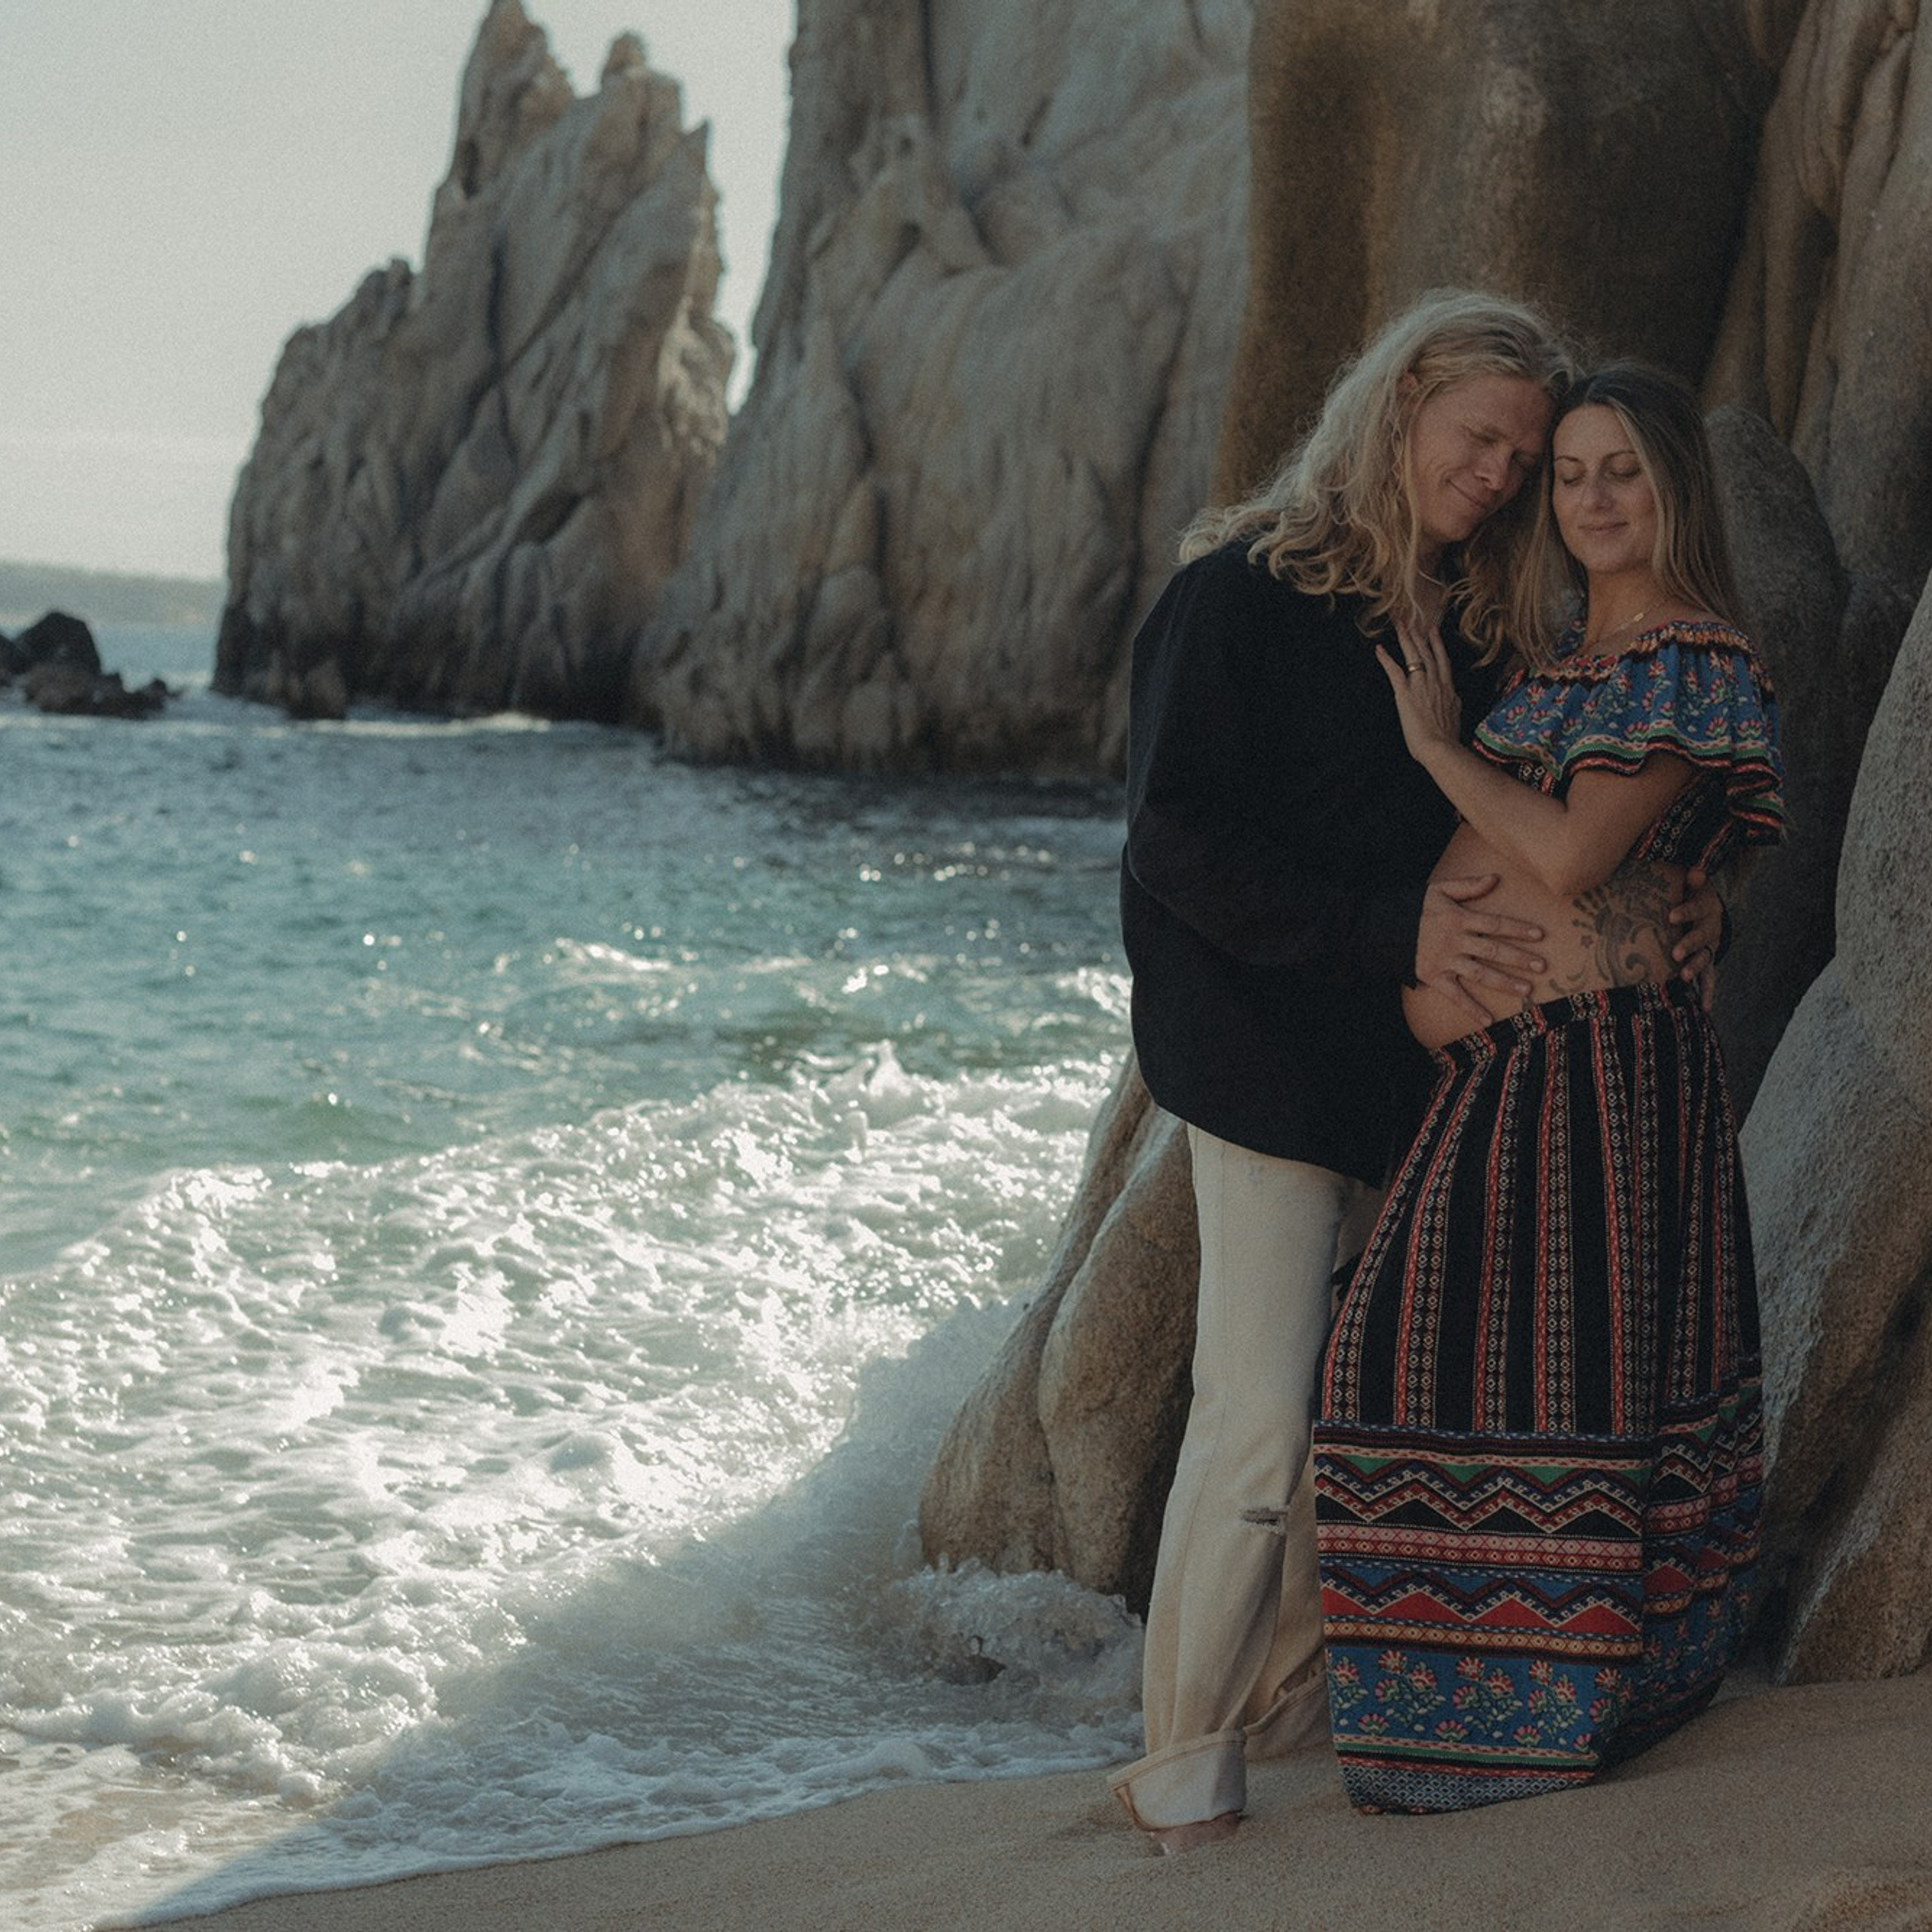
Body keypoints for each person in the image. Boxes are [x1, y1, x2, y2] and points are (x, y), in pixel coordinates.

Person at [1109, 295, 1726, 1852]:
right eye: (1480, 439)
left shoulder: (1476, 625)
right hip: (1260, 1060)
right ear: (1395, 413)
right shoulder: (1233, 597)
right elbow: (1172, 842)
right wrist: (1388, 935)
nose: (1501, 473)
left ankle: (1297, 1714)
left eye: (1521, 456)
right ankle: (1180, 1758)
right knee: (1253, 1410)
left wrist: (1679, 887)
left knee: (1371, 1410)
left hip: (1430, 1077)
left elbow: (1563, 810)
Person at [1312, 361, 1785, 1814]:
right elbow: (1662, 872)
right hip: (1511, 1071)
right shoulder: (1563, 667)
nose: (1589, 497)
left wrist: (1439, 747)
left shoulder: (1689, 659)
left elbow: (1579, 860)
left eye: (1621, 470)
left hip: (1595, 1081)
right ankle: (1446, 1729)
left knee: (1544, 1386)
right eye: (1570, 472)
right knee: (1413, 1370)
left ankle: (1550, 1723)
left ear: (1671, 491)